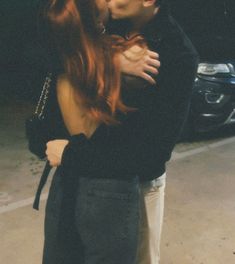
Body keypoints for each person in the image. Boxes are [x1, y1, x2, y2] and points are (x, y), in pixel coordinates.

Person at [40, 0, 198, 264]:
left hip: (138, 188)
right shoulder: (108, 22)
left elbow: (151, 155)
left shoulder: (178, 53)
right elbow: (54, 50)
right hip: (79, 182)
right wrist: (107, 60)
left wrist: (71, 155)